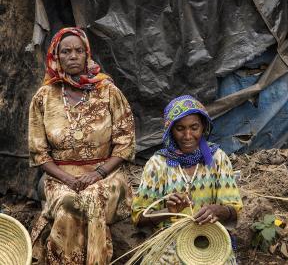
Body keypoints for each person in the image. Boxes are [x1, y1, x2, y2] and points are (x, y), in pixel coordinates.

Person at [28, 27, 135, 265]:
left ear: (87, 54)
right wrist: (66, 179)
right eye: (66, 51)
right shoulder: (44, 97)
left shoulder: (108, 91)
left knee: (91, 197)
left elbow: (125, 144)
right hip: (60, 177)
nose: (73, 56)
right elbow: (39, 153)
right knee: (68, 204)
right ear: (56, 57)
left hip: (106, 175)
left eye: (78, 50)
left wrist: (97, 173)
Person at [131, 95, 242, 264]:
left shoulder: (216, 159)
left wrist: (218, 210)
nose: (188, 135)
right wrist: (168, 210)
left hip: (210, 237)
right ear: (170, 130)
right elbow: (139, 218)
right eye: (180, 128)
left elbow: (234, 211)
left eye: (194, 127)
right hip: (169, 241)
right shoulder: (158, 164)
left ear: (203, 127)